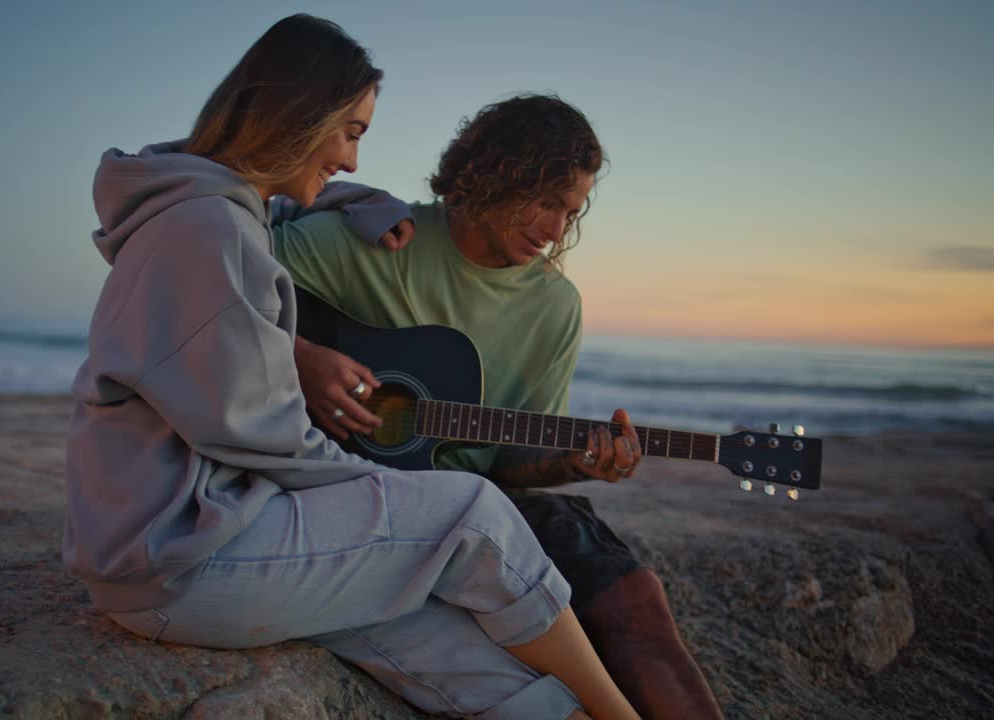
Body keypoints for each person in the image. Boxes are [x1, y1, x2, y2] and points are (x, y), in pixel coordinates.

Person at [63, 15, 640, 720]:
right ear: (296, 115)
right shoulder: (207, 232)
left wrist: (355, 206)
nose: (353, 161)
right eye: (351, 132)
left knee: (463, 658)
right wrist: (402, 502)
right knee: (471, 513)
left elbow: (265, 209)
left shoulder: (212, 217)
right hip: (184, 561)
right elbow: (268, 439)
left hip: (193, 544)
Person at [272, 94, 724, 720]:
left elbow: (510, 464)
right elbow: (213, 281)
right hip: (345, 491)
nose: (556, 230)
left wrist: (574, 462)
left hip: (479, 506)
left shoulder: (554, 307)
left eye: (570, 211)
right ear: (494, 174)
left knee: (634, 600)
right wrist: (299, 355)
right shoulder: (377, 239)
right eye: (546, 201)